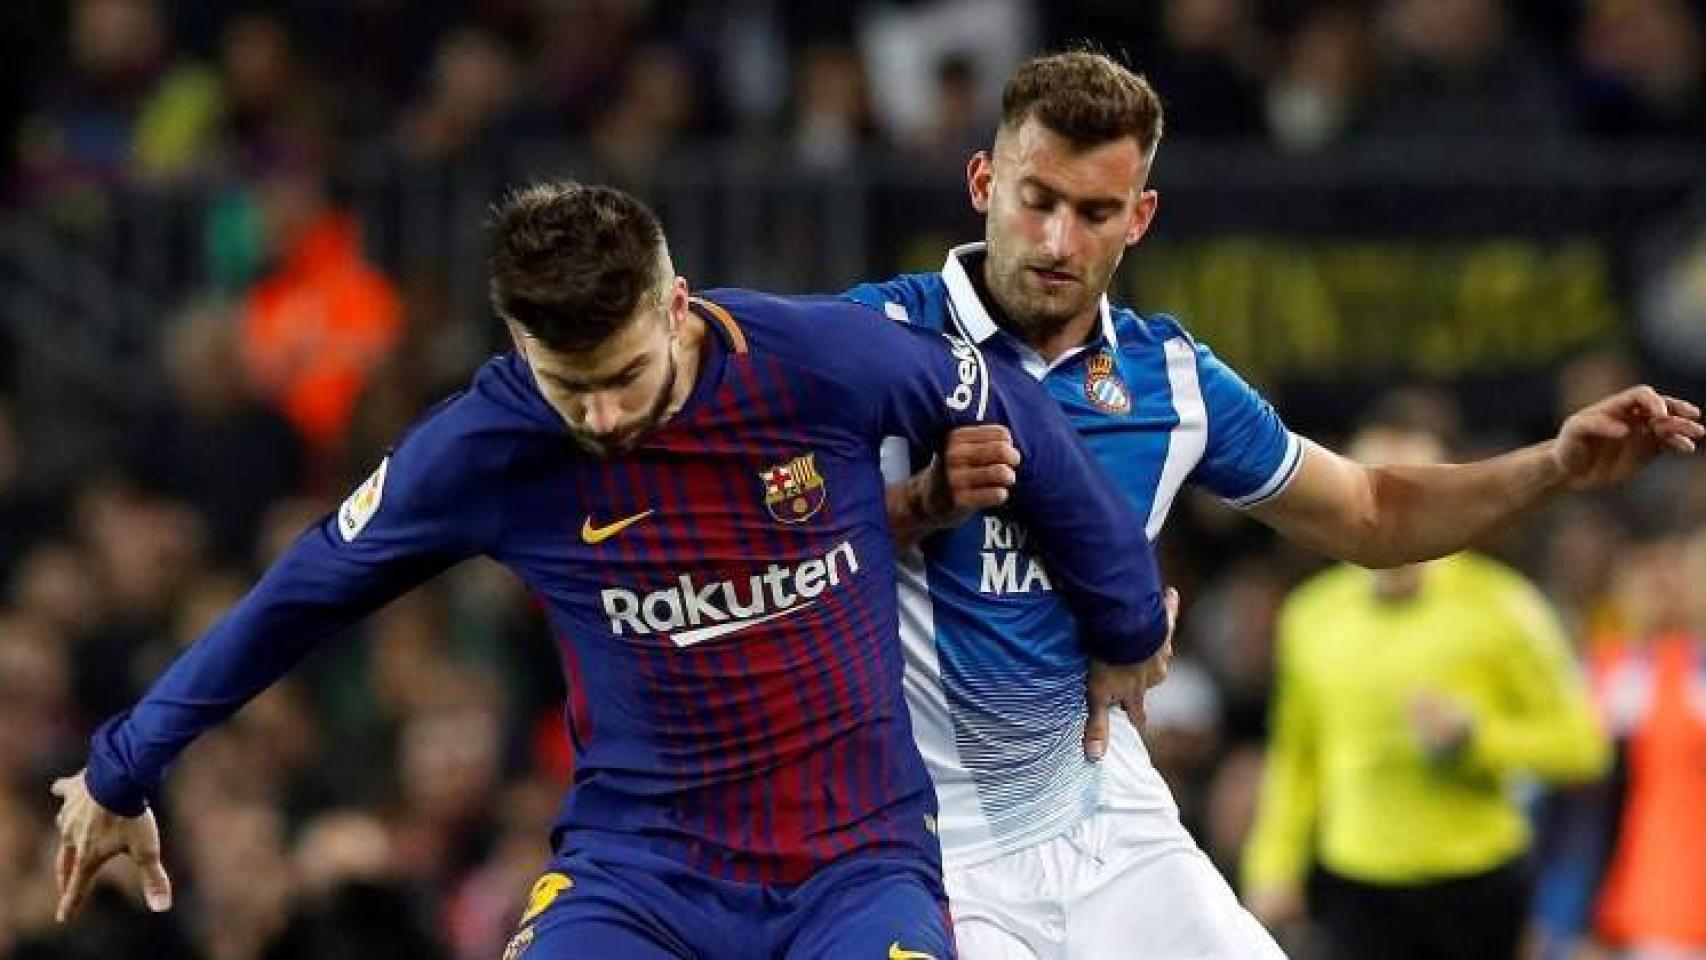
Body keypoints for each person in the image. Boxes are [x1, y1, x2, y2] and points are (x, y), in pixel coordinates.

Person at [49, 181, 1175, 959]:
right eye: (562, 382)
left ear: (674, 306)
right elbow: (303, 591)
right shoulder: (485, 447)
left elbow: (1009, 401)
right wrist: (123, 766)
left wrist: (1123, 620)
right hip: (640, 880)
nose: (597, 414)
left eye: (623, 375)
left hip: (856, 868)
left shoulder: (817, 362)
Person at [853, 50, 1701, 959]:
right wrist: (916, 507)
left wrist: (1557, 466)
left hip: (1112, 827)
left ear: (1138, 218)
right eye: (1037, 200)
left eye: (1095, 212)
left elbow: (1374, 512)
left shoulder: (1169, 379)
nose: (1059, 241)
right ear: (983, 182)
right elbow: (736, 537)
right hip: (938, 852)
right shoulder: (874, 341)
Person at [1241, 397, 1611, 960]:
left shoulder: (1504, 607)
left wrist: (1477, 738)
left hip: (1477, 881)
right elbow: (1297, 755)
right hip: (1358, 883)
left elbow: (1584, 747)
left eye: (1416, 492)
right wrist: (1272, 865)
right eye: (1378, 489)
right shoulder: (1310, 617)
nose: (1396, 513)